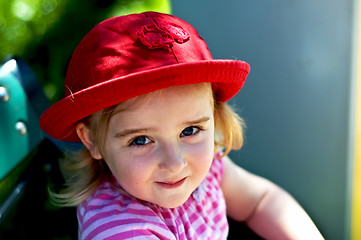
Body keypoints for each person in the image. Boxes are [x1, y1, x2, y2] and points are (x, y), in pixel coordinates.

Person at [40, 11, 324, 240]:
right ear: (92, 140)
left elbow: (261, 201)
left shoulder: (208, 167)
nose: (175, 163)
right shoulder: (120, 230)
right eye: (140, 140)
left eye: (189, 131)